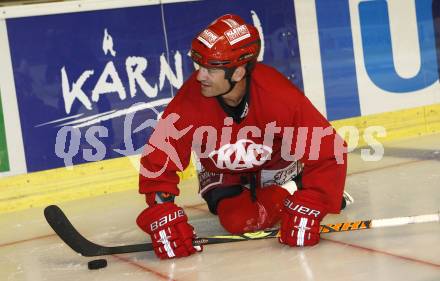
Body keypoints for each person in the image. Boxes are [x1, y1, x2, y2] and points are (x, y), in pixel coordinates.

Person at [136, 14, 348, 260]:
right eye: (199, 66)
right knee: (238, 220)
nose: (200, 76)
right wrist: (162, 210)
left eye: (211, 69)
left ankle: (294, 184)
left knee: (257, 215)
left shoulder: (279, 95)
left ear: (237, 73)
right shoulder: (190, 100)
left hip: (275, 166)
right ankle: (292, 189)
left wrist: (312, 201)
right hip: (223, 166)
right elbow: (159, 159)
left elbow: (329, 150)